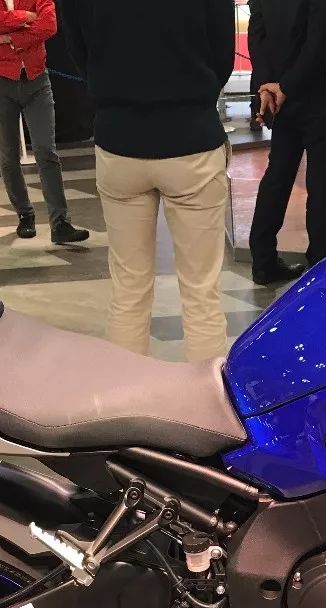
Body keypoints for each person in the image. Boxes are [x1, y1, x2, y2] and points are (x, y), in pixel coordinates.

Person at [58, 0, 235, 361]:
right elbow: (222, 53)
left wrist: (112, 92)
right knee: (202, 294)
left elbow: (77, 47)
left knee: (128, 291)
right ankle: (202, 396)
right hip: (191, 137)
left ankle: (127, 392)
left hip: (119, 138)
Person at [247, 0, 326, 286]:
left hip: (281, 92)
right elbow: (321, 42)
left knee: (279, 173)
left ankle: (263, 259)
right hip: (318, 90)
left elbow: (257, 33)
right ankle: (320, 263)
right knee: (323, 180)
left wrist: (267, 85)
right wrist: (285, 87)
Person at [0, 0, 90, 245]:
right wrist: (25, 16)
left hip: (36, 78)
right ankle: (24, 214)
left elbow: (49, 24)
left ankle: (60, 223)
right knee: (8, 154)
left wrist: (12, 38)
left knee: (46, 151)